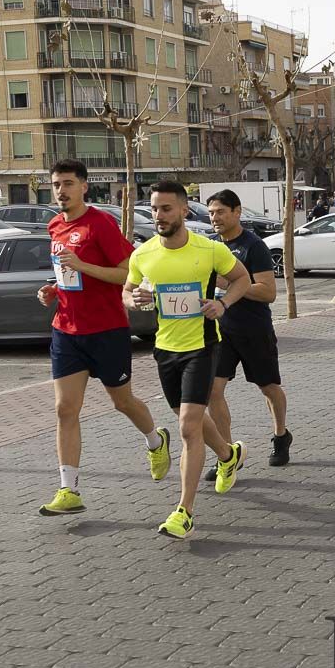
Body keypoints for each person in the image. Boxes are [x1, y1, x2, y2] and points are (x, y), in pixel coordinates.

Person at [36, 159, 170, 516]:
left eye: (67, 183)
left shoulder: (101, 224)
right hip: (66, 330)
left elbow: (128, 273)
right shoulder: (53, 226)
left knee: (122, 402)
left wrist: (82, 267)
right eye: (55, 184)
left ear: (83, 186)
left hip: (107, 330)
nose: (61, 191)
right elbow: (68, 275)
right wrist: (54, 290)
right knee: (65, 409)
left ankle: (156, 441)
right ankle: (69, 489)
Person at [125, 180, 253, 539]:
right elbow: (127, 289)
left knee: (186, 427)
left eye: (166, 208)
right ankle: (229, 455)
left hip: (203, 345)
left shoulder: (208, 250)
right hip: (165, 349)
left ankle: (185, 510)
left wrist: (224, 303)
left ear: (184, 210)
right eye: (154, 209)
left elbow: (241, 279)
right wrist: (133, 300)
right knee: (189, 420)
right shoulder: (144, 253)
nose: (159, 215)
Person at [203, 190, 293, 476]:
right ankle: (227, 455)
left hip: (254, 330)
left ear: (237, 212)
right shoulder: (211, 247)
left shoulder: (254, 246)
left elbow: (268, 292)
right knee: (213, 391)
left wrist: (229, 282)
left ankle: (280, 435)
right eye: (211, 212)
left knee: (268, 387)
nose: (214, 218)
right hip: (221, 332)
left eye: (220, 212)